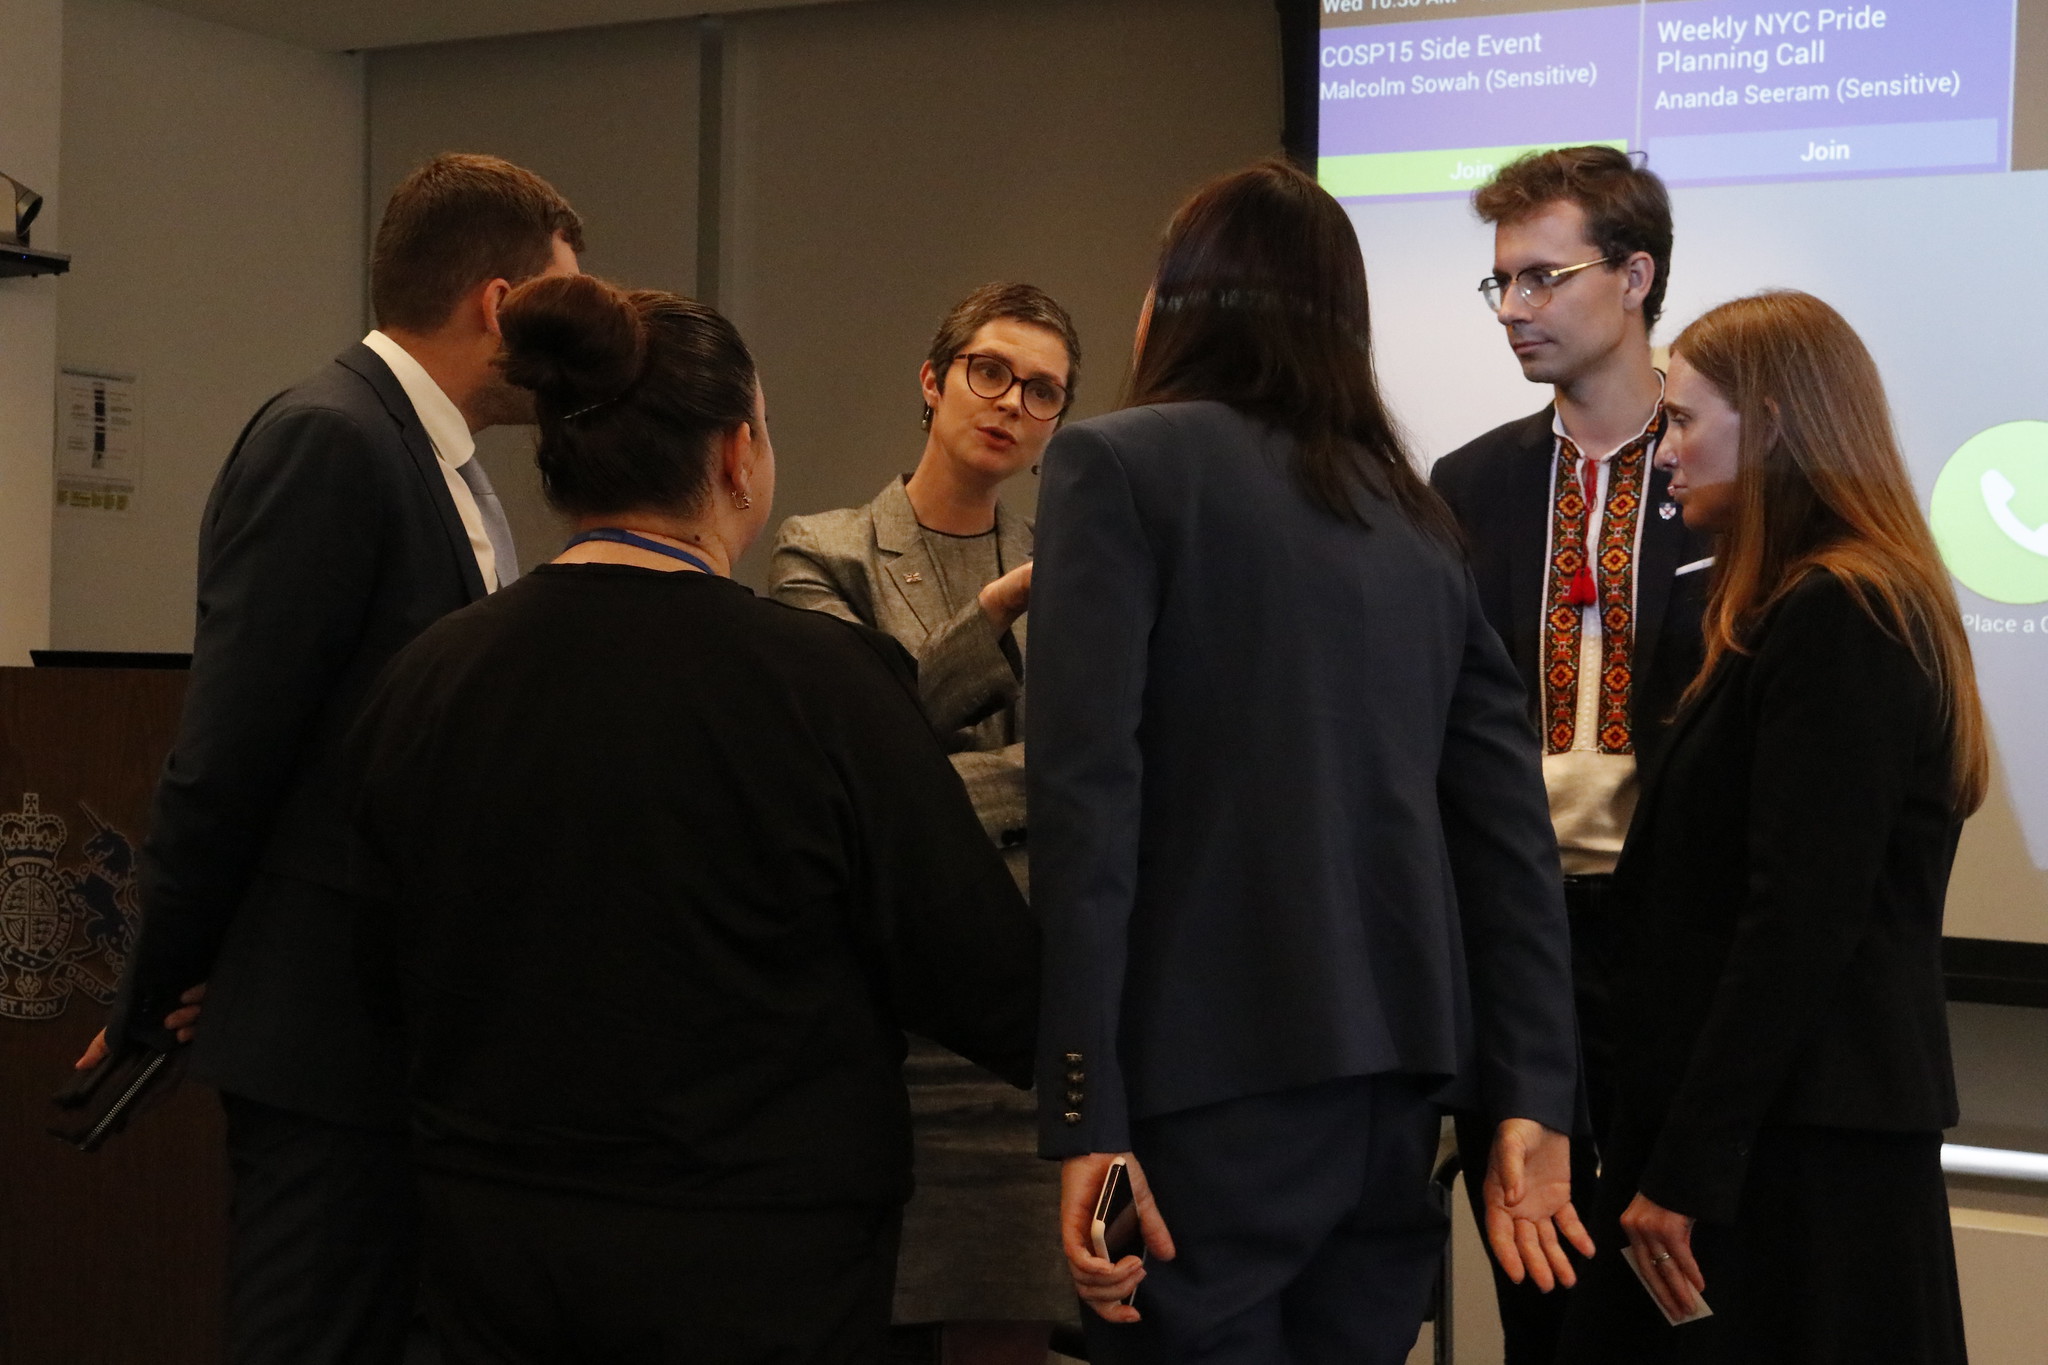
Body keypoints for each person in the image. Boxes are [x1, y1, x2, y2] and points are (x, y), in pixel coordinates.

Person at [345, 273, 1041, 1365]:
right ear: (734, 455)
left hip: (490, 1245)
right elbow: (983, 971)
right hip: (763, 1259)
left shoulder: (429, 679)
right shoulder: (823, 686)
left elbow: (366, 967)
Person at [1030, 158, 1591, 1365]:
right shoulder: (1413, 521)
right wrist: (1531, 1092)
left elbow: (1086, 808)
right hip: (1395, 1100)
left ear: (1181, 299)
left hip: (1199, 1096)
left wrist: (1084, 1108)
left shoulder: (1115, 467)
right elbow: (1506, 838)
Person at [78, 153, 582, 1365]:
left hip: (401, 1026)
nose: (579, 340)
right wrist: (165, 981)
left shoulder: (442, 460)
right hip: (323, 1040)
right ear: (500, 303)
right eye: (565, 303)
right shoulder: (330, 438)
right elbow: (232, 747)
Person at [1558, 290, 1981, 1364]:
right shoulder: (1803, 604)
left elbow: (1796, 921)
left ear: (1778, 423)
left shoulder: (1838, 612)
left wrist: (1684, 1170)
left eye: (1686, 423)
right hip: (1775, 1144)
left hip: (1790, 1162)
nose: (1664, 456)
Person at [1430, 144, 1710, 1365]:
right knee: (1540, 1303)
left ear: (1636, 275)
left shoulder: (1723, 470)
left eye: (1542, 278)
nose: (1515, 311)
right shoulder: (1469, 484)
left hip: (1674, 946)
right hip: (1512, 944)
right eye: (1499, 284)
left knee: (1678, 1299)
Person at [769, 282, 1077, 1365]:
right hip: (879, 1029)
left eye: (1041, 392)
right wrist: (992, 616)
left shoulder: (1073, 566)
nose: (1008, 403)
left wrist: (926, 786)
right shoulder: (824, 552)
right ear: (932, 380)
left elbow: (1102, 782)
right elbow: (835, 785)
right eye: (989, 371)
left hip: (1017, 1027)